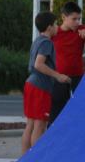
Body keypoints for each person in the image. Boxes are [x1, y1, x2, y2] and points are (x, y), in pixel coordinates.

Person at [21, 11, 70, 154]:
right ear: (49, 27)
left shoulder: (37, 40)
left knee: (30, 124)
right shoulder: (47, 43)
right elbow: (39, 64)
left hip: (30, 84)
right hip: (40, 87)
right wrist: (58, 76)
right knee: (40, 126)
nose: (57, 27)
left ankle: (25, 158)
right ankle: (37, 158)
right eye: (55, 24)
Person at [49, 2, 85, 126]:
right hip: (59, 79)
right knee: (56, 115)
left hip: (78, 78)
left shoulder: (82, 30)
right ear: (64, 17)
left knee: (80, 114)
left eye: (79, 19)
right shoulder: (55, 33)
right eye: (74, 19)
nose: (77, 22)